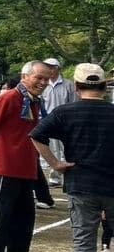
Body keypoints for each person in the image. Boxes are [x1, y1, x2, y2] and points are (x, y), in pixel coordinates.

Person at [30, 63, 114, 252]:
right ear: (103, 86)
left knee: (84, 244)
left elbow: (36, 135)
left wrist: (55, 163)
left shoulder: (66, 112)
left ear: (76, 87)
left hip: (81, 184)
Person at [0, 60, 51, 252]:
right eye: (38, 77)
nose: (42, 82)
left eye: (46, 79)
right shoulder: (10, 97)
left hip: (27, 165)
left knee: (25, 216)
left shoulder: (34, 101)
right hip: (6, 164)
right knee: (0, 216)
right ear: (25, 76)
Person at [41, 57, 76, 186]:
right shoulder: (43, 85)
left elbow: (74, 102)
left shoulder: (69, 85)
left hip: (67, 122)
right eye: (47, 67)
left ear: (57, 68)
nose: (49, 70)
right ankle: (54, 177)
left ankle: (69, 176)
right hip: (50, 122)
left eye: (51, 67)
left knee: (68, 149)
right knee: (53, 150)